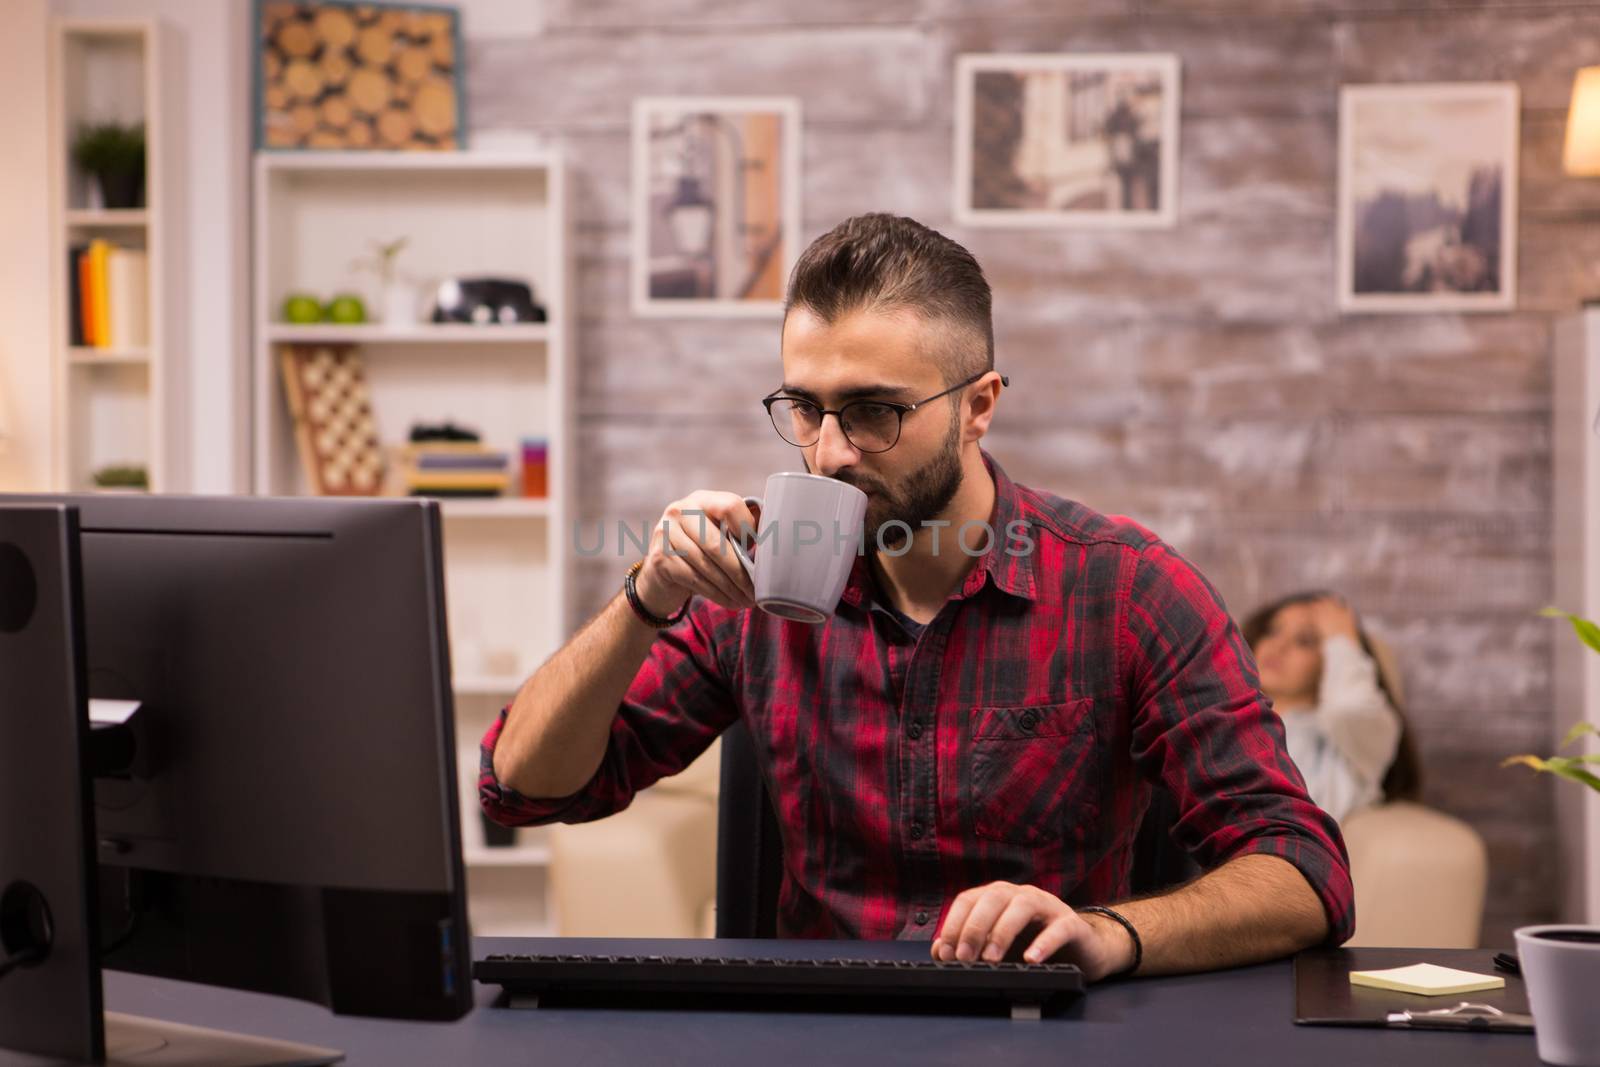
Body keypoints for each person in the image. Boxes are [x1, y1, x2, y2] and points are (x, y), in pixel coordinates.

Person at [481, 213, 1354, 983]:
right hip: (818, 1039)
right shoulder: (754, 584)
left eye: (873, 412)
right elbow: (522, 788)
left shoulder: (1126, 589)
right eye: (805, 408)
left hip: (1039, 1028)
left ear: (979, 405)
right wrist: (646, 595)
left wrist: (1110, 932)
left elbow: (1304, 871)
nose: (828, 454)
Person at [1242, 592, 1422, 824]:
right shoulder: (1230, 719)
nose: (1279, 646)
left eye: (1304, 640)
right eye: (1273, 631)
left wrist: (1340, 637)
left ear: (1331, 658)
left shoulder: (1353, 740)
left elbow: (1348, 709)